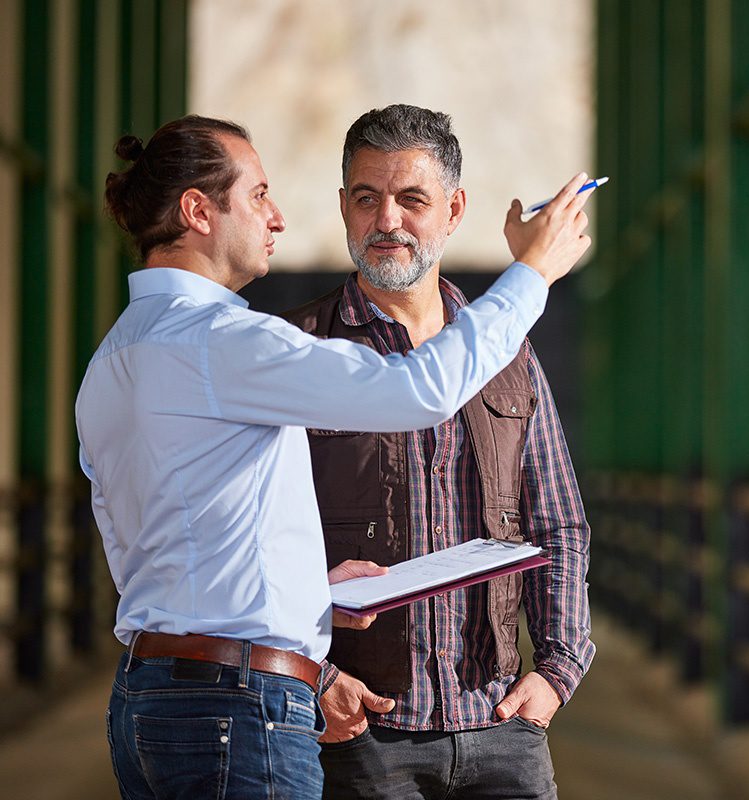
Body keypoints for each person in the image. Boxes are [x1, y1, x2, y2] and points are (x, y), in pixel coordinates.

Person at [75, 114, 592, 800]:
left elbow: (165, 549)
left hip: (157, 697)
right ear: (198, 210)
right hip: (245, 707)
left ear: (452, 210)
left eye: (411, 198)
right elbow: (420, 390)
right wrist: (532, 271)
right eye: (258, 194)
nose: (277, 217)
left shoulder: (116, 355)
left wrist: (309, 592)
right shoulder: (232, 343)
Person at [282, 104, 596, 800]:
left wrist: (557, 670)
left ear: (454, 210)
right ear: (342, 207)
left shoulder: (508, 354)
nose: (387, 220)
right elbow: (248, 541)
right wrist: (316, 678)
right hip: (360, 731)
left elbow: (559, 525)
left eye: (411, 199)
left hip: (501, 726)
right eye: (367, 198)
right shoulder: (295, 352)